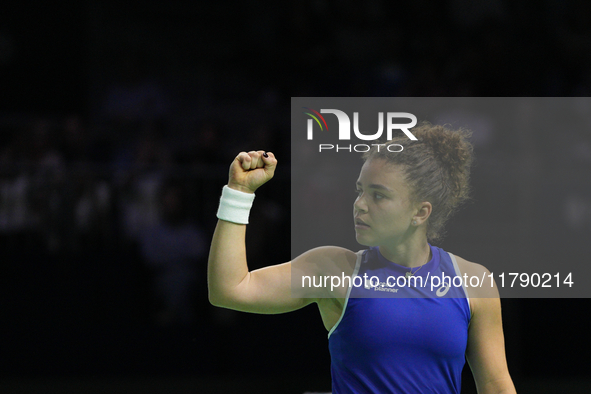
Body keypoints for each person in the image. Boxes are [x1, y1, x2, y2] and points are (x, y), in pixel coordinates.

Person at [208, 123, 516, 394]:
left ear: (420, 212)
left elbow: (496, 385)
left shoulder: (473, 282)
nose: (359, 205)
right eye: (360, 191)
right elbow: (230, 289)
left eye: (378, 195)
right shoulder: (334, 269)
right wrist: (239, 192)